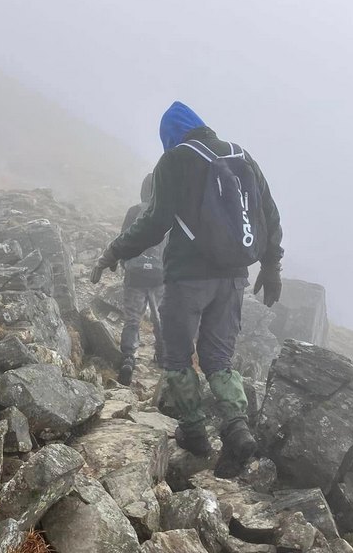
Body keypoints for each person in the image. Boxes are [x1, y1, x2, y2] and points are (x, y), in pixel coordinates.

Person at [91, 101, 283, 478]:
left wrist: (115, 251)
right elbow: (270, 215)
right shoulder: (242, 156)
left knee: (177, 356)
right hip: (232, 279)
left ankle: (194, 430)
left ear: (170, 136)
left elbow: (155, 221)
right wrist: (271, 265)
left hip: (187, 278)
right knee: (219, 360)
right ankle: (236, 427)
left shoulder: (175, 160)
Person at [116, 173, 167, 386]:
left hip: (135, 274)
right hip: (159, 275)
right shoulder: (166, 213)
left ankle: (128, 358)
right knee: (160, 317)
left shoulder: (134, 212)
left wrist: (124, 264)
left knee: (132, 319)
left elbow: (123, 241)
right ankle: (163, 356)